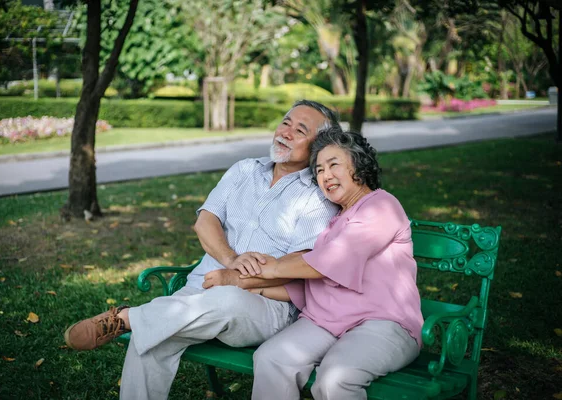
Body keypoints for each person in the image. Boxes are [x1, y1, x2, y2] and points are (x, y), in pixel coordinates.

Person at [63, 100, 340, 400]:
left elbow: (302, 265)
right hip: (198, 291)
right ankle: (140, 325)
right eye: (285, 122)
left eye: (300, 130)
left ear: (318, 147)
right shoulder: (244, 170)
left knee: (225, 299)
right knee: (152, 340)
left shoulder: (316, 197)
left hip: (264, 307)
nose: (286, 132)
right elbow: (205, 221)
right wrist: (231, 260)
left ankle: (128, 318)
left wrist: (238, 279)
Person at [241, 127, 424, 400]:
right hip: (327, 323)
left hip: (384, 324)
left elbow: (328, 263)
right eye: (318, 170)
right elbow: (313, 284)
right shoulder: (333, 223)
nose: (325, 175)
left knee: (336, 379)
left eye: (333, 165)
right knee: (271, 358)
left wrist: (272, 267)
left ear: (359, 165)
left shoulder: (381, 206)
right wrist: (254, 285)